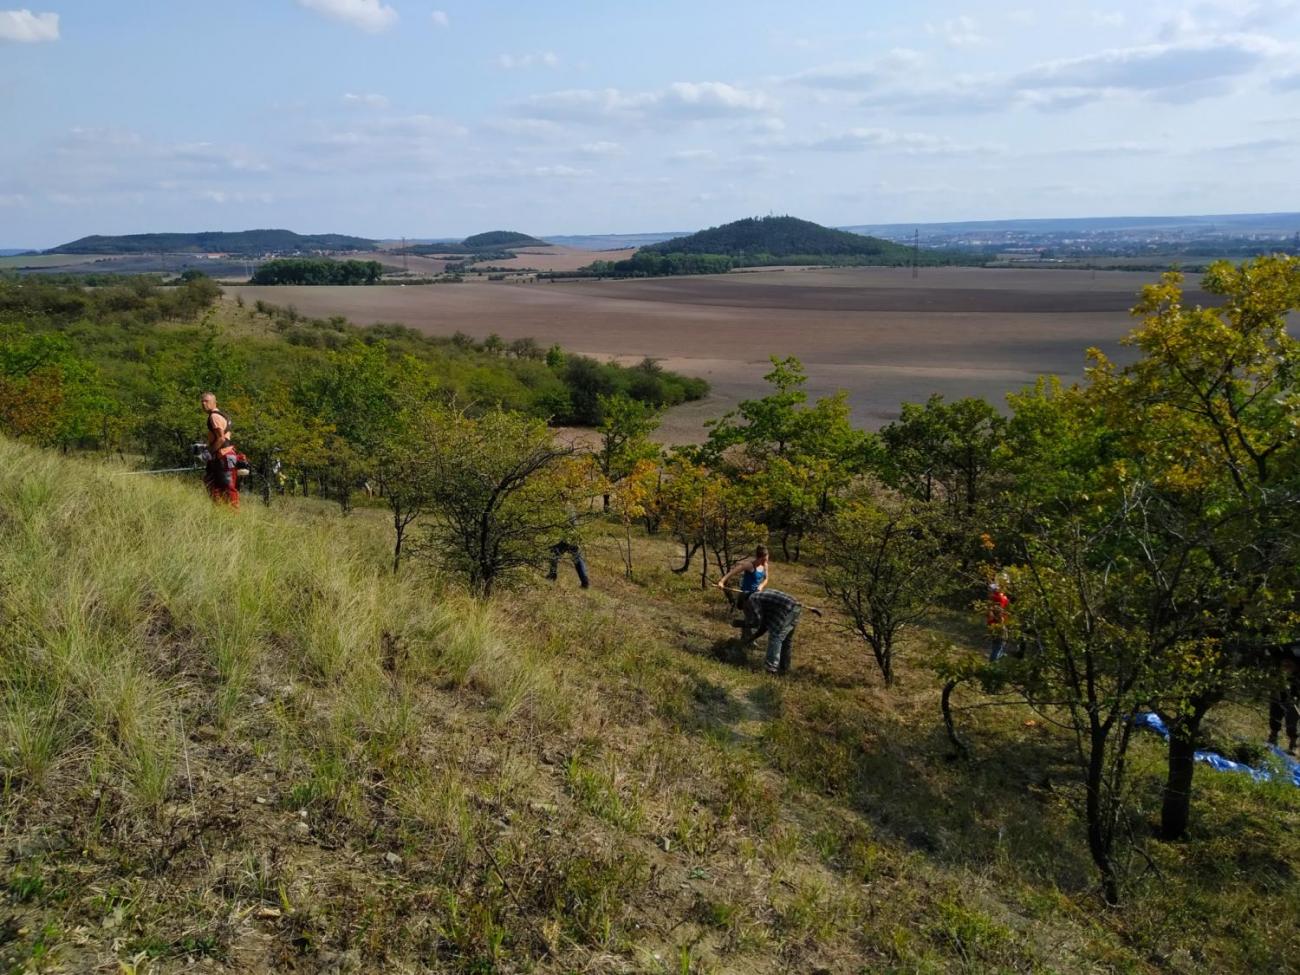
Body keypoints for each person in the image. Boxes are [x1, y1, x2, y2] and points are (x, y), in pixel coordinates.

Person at [742, 588, 802, 676]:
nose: (745, 610)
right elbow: (763, 627)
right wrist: (750, 640)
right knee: (786, 640)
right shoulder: (762, 598)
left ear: (744, 601)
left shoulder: (753, 599)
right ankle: (784, 668)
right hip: (796, 608)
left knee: (776, 637)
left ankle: (770, 669)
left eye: (744, 607)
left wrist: (747, 624)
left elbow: (757, 621)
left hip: (788, 610)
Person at [200, 392, 239, 508]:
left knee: (223, 488)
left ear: (214, 402)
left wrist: (208, 452)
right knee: (219, 486)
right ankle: (223, 513)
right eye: (202, 401)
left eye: (206, 401)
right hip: (226, 455)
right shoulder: (223, 415)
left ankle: (231, 514)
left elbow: (221, 439)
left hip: (223, 456)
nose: (203, 404)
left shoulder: (214, 416)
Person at [546, 510, 590, 588]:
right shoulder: (570, 507)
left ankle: (552, 575)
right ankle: (585, 581)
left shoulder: (565, 507)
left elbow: (565, 524)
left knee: (553, 552)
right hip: (573, 537)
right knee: (577, 557)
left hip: (568, 537)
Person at [1269, 646, 1300, 755]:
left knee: (1292, 717)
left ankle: (1292, 746)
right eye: (1284, 664)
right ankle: (1272, 741)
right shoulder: (1283, 651)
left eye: (1289, 665)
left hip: (1293, 693)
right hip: (1279, 689)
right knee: (1275, 715)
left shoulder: (1296, 676)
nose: (1286, 666)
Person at [987, 581, 1009, 662]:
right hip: (999, 625)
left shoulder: (992, 599)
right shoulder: (999, 598)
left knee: (997, 645)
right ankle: (992, 665)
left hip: (992, 625)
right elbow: (1005, 601)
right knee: (999, 645)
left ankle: (995, 662)